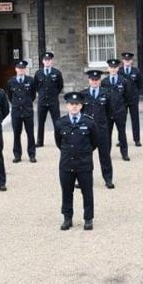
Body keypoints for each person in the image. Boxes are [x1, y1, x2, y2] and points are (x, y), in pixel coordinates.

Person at [54, 92, 98, 231]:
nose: (74, 106)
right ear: (67, 106)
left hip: (84, 163)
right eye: (71, 104)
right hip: (67, 163)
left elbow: (94, 142)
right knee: (67, 192)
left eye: (77, 104)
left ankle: (88, 218)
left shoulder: (89, 122)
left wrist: (84, 153)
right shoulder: (60, 123)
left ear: (81, 106)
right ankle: (67, 218)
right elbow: (59, 142)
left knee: (87, 192)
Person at [80, 70, 115, 189]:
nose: (94, 82)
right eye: (92, 80)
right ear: (89, 80)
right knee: (85, 157)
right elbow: (80, 113)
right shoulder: (83, 94)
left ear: (100, 81)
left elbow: (110, 112)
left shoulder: (106, 93)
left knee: (105, 156)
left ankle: (108, 179)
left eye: (97, 80)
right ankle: (84, 180)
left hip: (101, 130)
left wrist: (105, 126)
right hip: (87, 131)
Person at [6, 59, 37, 163]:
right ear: (16, 69)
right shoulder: (11, 81)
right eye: (19, 68)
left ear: (25, 69)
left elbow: (33, 95)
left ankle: (32, 155)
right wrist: (17, 104)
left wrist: (26, 103)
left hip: (28, 111)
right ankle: (17, 155)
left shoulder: (30, 80)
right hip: (16, 112)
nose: (21, 70)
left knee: (30, 134)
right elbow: (10, 96)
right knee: (16, 134)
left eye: (23, 68)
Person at [101, 59, 132, 161]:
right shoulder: (104, 82)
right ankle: (107, 154)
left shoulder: (124, 81)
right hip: (107, 112)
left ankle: (124, 154)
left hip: (120, 112)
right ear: (108, 68)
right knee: (107, 135)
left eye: (115, 67)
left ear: (118, 68)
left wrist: (123, 109)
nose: (113, 69)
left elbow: (128, 97)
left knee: (122, 133)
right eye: (111, 67)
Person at [34, 51, 64, 148]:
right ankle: (40, 141)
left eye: (49, 60)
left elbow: (60, 86)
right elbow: (36, 86)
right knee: (40, 122)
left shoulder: (57, 73)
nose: (47, 61)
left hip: (53, 101)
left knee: (57, 122)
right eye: (45, 60)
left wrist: (54, 94)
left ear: (52, 61)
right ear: (43, 61)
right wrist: (42, 93)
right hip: (42, 101)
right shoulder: (38, 73)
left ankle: (59, 141)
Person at [118, 51, 143, 147]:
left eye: (129, 60)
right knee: (121, 120)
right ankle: (121, 140)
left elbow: (140, 84)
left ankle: (137, 139)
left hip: (133, 99)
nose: (127, 61)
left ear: (131, 61)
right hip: (122, 100)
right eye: (125, 60)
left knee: (135, 119)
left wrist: (136, 94)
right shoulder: (119, 71)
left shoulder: (136, 71)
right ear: (123, 60)